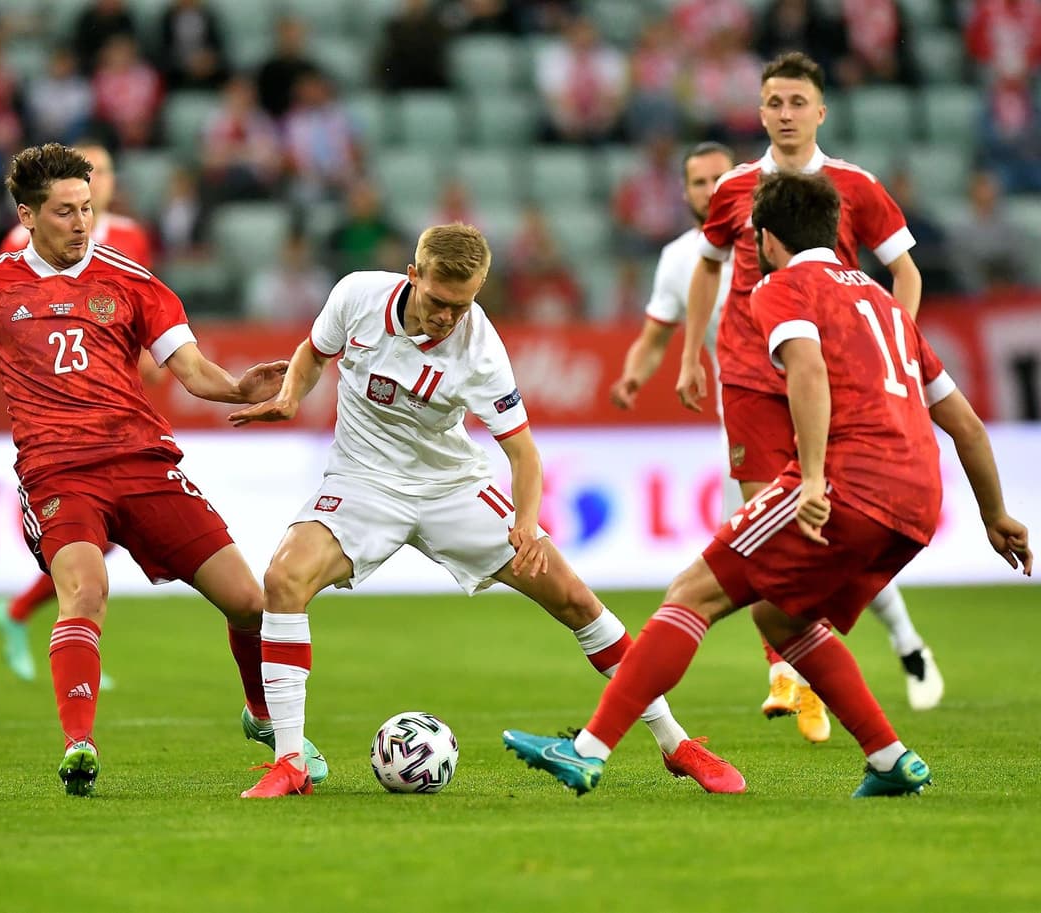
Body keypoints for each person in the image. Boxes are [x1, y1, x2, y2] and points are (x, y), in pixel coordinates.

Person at [0, 143, 327, 798]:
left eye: (88, 209)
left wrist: (240, 389)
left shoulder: (133, 280)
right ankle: (80, 743)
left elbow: (190, 369)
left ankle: (262, 715)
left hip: (142, 461)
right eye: (66, 211)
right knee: (85, 588)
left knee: (249, 601)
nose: (81, 222)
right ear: (28, 214)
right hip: (57, 472)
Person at [505, 171, 1032, 798]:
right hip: (919, 502)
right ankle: (890, 759)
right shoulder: (888, 305)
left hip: (846, 482)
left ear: (765, 239)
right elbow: (966, 424)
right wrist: (996, 513)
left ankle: (587, 750)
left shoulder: (780, 287)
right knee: (781, 618)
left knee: (692, 593)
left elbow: (806, 370)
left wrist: (811, 479)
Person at [227, 223, 744, 798]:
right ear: (413, 276)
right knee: (283, 577)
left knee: (575, 598)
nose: (449, 317)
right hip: (363, 480)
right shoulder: (355, 296)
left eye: (464, 303)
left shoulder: (481, 349)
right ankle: (292, 760)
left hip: (453, 486)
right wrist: (293, 395)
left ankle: (676, 743)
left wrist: (525, 522)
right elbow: (312, 354)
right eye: (439, 302)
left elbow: (523, 453)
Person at [675, 52, 943, 732]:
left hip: (831, 382)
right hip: (748, 375)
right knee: (767, 519)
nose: (786, 114)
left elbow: (904, 272)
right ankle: (788, 674)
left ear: (820, 111)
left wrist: (896, 342)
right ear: (760, 111)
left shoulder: (855, 185)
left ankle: (857, 645)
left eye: (798, 102)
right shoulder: (736, 188)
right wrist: (691, 352)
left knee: (821, 528)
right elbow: (707, 268)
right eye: (774, 103)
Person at [0, 140, 156, 690]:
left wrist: (151, 358)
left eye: (106, 172)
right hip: (54, 418)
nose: (100, 183)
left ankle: (67, 633)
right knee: (82, 537)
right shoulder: (22, 243)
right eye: (94, 172)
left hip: (117, 408)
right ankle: (55, 627)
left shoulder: (130, 238)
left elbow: (138, 310)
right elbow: (12, 315)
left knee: (102, 538)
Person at [610, 141, 743, 513]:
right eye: (699, 182)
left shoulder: (774, 239)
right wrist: (632, 377)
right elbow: (653, 340)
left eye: (720, 178)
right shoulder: (678, 259)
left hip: (807, 408)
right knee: (743, 542)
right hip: (739, 419)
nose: (711, 189)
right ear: (684, 193)